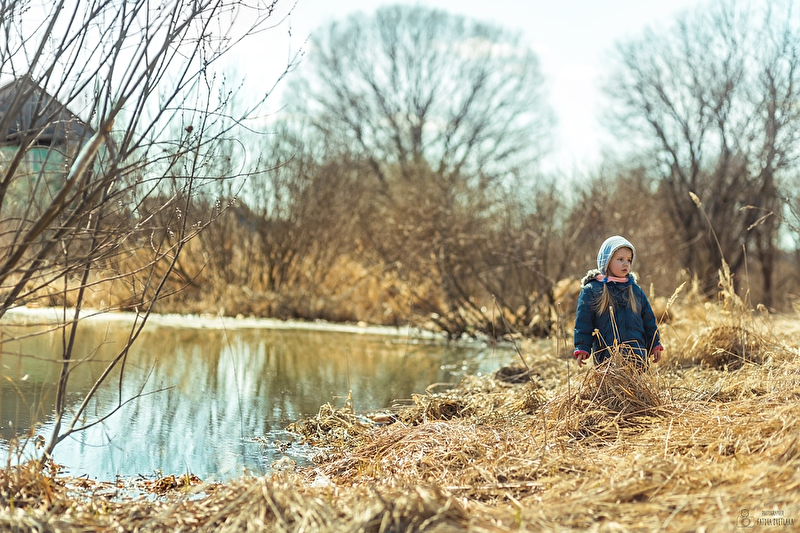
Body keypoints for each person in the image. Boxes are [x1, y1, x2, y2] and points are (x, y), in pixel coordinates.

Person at [573, 235, 663, 368]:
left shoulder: (635, 290)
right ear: (607, 260)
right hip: (607, 360)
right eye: (620, 259)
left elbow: (649, 321)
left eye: (629, 260)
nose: (626, 263)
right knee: (612, 382)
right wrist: (582, 347)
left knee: (634, 382)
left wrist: (654, 344)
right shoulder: (592, 290)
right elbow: (583, 323)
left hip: (636, 358)